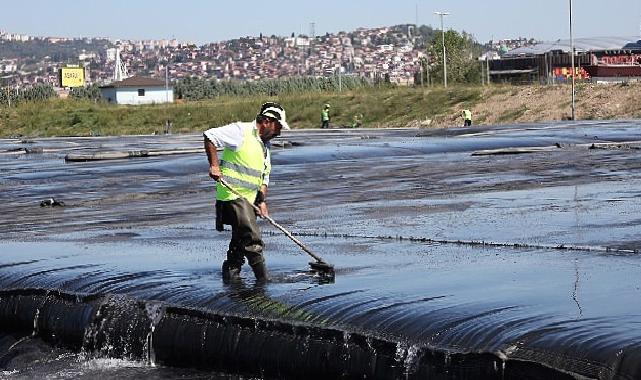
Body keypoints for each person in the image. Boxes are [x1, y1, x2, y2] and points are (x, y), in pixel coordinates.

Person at [203, 102, 290, 282]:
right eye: (278, 126)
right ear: (266, 121)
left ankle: (231, 273)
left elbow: (264, 176)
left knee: (239, 238)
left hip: (250, 199)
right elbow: (210, 136)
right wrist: (214, 165)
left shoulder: (265, 146)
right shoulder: (241, 131)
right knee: (251, 237)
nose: (279, 132)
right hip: (232, 195)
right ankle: (263, 280)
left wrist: (261, 201)